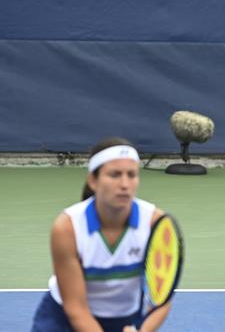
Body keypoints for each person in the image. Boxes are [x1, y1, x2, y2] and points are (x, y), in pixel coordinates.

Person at [32, 137, 171, 332]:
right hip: (64, 321)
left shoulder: (156, 224)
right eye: (114, 175)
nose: (124, 184)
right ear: (93, 180)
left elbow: (162, 299)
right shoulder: (67, 228)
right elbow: (76, 309)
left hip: (125, 320)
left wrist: (142, 331)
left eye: (131, 175)